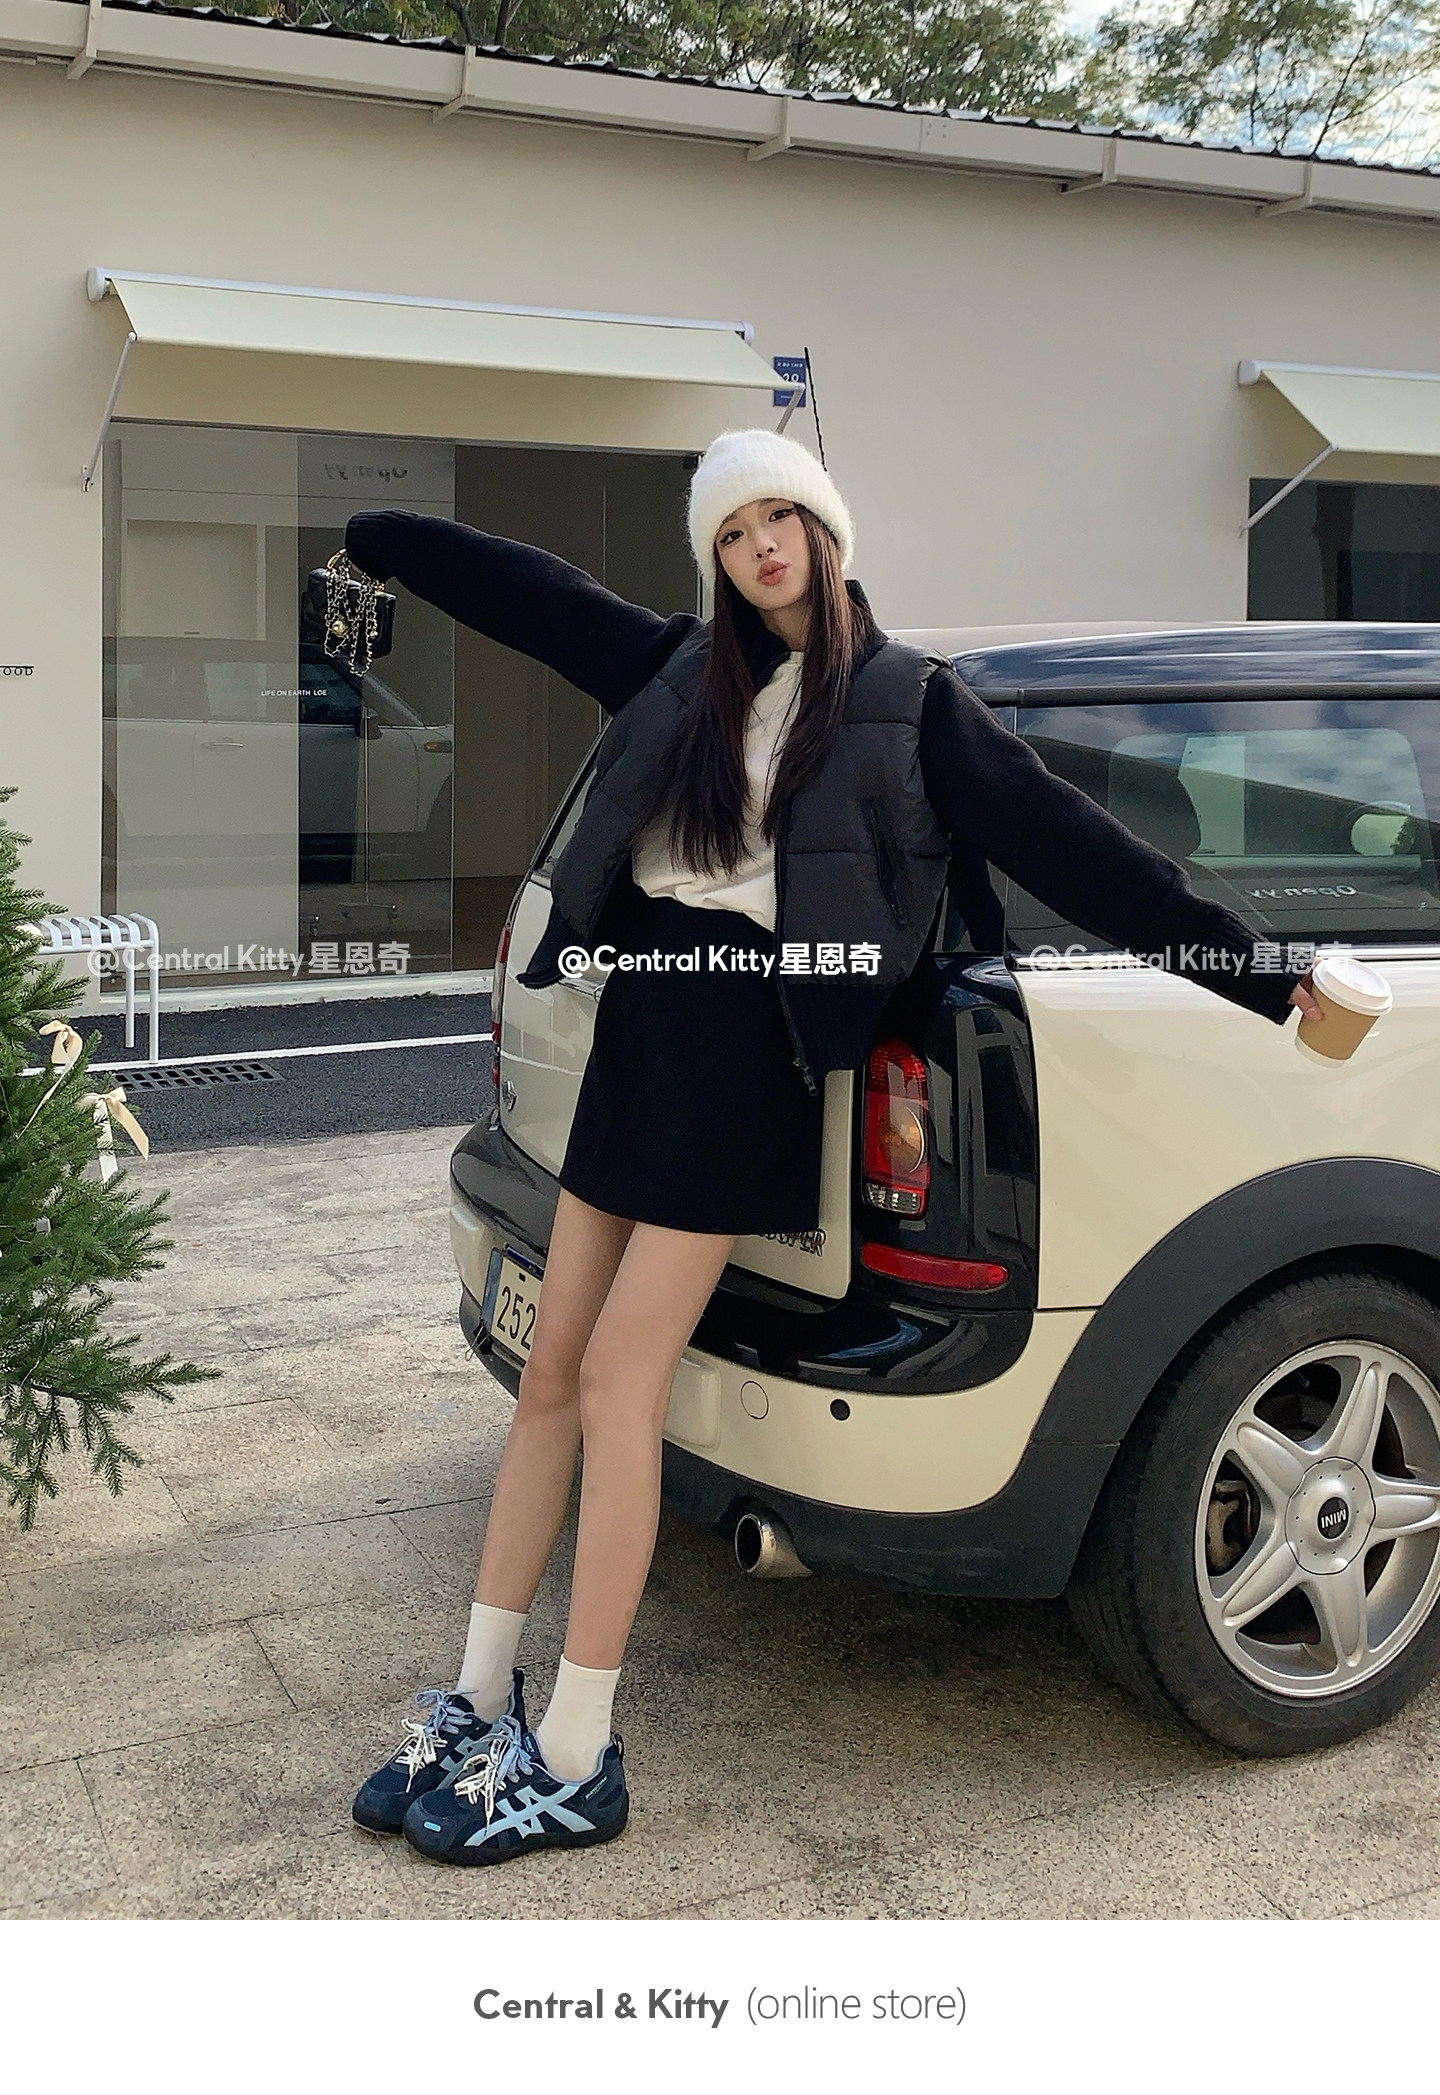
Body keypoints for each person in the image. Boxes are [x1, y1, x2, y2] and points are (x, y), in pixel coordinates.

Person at [341, 429, 1319, 1867]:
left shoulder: (908, 702)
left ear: (826, 530)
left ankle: (581, 1750)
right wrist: (384, 539)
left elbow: (1077, 848)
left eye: (781, 519)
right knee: (551, 1370)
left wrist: (1265, 975)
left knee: (618, 1381)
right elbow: (536, 598)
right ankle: (480, 1700)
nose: (762, 549)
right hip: (643, 1030)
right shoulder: (683, 671)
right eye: (734, 531)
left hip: (744, 1053)